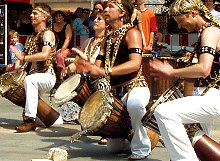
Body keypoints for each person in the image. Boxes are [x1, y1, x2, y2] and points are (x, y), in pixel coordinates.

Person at [74, 0, 152, 159]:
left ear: (122, 13)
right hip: (116, 94)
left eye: (111, 7)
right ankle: (137, 132)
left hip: (135, 88)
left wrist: (105, 70)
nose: (106, 10)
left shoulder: (132, 33)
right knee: (113, 149)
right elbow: (97, 68)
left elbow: (135, 63)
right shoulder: (107, 38)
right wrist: (87, 65)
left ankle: (142, 147)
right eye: (105, 7)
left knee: (135, 104)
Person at [149, 0, 220, 160]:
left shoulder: (211, 32)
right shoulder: (206, 32)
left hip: (214, 96)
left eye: (181, 21)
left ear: (193, 13)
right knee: (194, 141)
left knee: (164, 112)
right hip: (207, 94)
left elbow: (203, 69)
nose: (180, 26)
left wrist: (172, 72)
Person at [9, 3, 62, 132]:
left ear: (44, 17)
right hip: (34, 76)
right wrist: (12, 68)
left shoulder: (48, 34)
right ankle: (54, 119)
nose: (31, 15)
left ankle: (30, 120)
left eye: (35, 13)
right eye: (31, 13)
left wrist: (23, 58)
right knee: (45, 118)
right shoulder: (31, 38)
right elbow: (23, 60)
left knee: (29, 80)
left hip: (47, 77)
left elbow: (45, 55)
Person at [53, 10, 72, 80]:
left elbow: (68, 38)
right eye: (56, 16)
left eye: (60, 16)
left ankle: (62, 75)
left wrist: (63, 49)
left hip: (65, 47)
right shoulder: (52, 25)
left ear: (63, 17)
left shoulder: (67, 25)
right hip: (53, 47)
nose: (58, 18)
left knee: (60, 55)